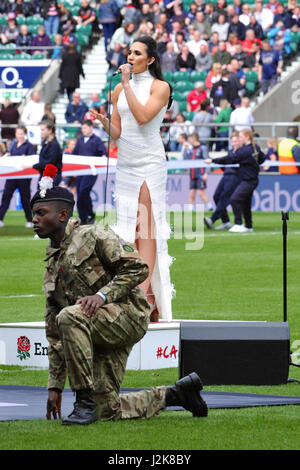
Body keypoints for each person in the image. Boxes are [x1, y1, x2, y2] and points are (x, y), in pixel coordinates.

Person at [30, 183, 208, 425]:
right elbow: (54, 333)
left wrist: (102, 296)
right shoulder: (52, 265)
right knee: (107, 410)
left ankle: (83, 402)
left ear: (62, 215)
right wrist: (55, 387)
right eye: (33, 214)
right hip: (96, 328)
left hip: (127, 316)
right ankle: (176, 394)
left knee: (70, 316)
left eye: (41, 213)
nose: (35, 220)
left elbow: (138, 267)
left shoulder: (93, 235)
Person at [90, 36, 174, 322]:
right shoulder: (116, 90)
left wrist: (126, 85)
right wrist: (104, 121)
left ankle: (144, 294)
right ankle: (139, 294)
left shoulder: (160, 87)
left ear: (150, 59)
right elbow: (118, 132)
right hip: (125, 163)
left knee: (147, 227)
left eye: (137, 53)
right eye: (129, 51)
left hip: (149, 162)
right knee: (127, 229)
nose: (130, 56)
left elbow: (142, 118)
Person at [205, 128, 266, 232]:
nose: (240, 139)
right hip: (251, 179)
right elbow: (262, 159)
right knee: (245, 204)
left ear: (247, 137)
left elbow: (229, 159)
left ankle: (238, 224)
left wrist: (213, 160)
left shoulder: (244, 151)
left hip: (248, 181)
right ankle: (248, 226)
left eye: (241, 137)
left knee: (234, 199)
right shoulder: (255, 148)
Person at [73, 119, 107, 225]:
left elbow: (103, 153)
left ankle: (89, 214)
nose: (83, 130)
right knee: (80, 194)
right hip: (80, 171)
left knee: (84, 190)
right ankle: (84, 217)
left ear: (91, 127)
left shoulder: (97, 140)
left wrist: (103, 158)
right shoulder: (80, 140)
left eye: (85, 127)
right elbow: (74, 154)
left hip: (92, 171)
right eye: (82, 128)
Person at [204, 132, 240, 230]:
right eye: (233, 141)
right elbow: (226, 162)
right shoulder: (230, 151)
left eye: (236, 141)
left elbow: (228, 160)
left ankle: (212, 219)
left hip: (234, 177)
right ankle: (226, 221)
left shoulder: (241, 152)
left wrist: (213, 160)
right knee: (216, 196)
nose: (234, 143)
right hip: (226, 176)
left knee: (224, 197)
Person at [0, 126, 35, 228]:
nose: (19, 136)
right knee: (6, 197)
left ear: (25, 134)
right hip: (12, 176)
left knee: (25, 199)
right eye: (17, 133)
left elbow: (31, 160)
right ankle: (0, 219)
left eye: (21, 133)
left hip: (24, 177)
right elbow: (10, 155)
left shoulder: (29, 146)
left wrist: (25, 159)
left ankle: (29, 220)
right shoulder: (13, 144)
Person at [183, 132, 212, 211]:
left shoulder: (203, 148)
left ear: (194, 139)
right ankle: (191, 210)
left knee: (201, 193)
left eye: (190, 139)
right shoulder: (191, 149)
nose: (189, 141)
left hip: (200, 174)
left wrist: (206, 173)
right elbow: (186, 159)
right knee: (191, 193)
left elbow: (208, 160)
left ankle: (210, 208)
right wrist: (185, 150)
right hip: (192, 174)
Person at [32, 120, 63, 186]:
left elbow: (49, 163)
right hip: (46, 177)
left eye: (43, 130)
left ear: (50, 130)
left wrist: (31, 166)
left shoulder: (54, 145)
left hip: (51, 178)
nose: (41, 132)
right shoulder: (46, 143)